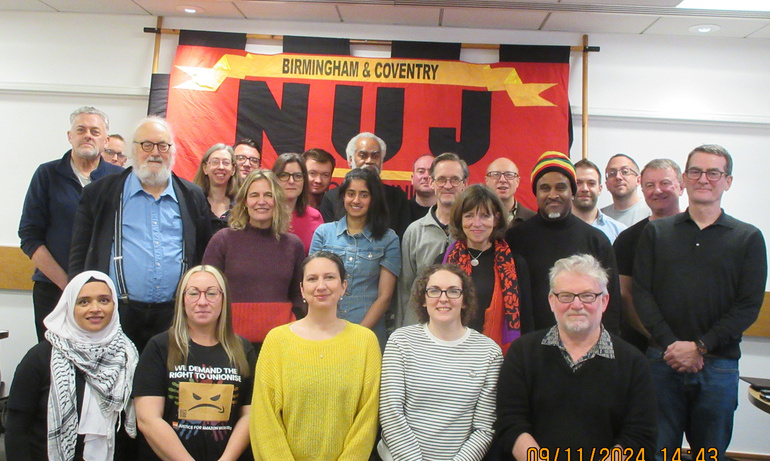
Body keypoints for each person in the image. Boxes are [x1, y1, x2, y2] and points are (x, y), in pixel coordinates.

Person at [634, 144, 767, 460]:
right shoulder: (656, 233)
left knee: (710, 454)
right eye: (695, 171)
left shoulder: (748, 238)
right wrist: (672, 345)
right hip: (662, 360)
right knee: (658, 453)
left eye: (713, 172)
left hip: (718, 364)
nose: (703, 179)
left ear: (727, 181)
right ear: (684, 178)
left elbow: (748, 305)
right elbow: (642, 293)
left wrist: (701, 346)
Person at [69, 116, 213, 352]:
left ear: (172, 151)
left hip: (175, 316)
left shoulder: (192, 195)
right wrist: (78, 302)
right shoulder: (100, 192)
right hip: (116, 314)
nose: (155, 152)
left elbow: (204, 254)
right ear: (133, 150)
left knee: (166, 385)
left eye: (162, 146)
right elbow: (78, 254)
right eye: (147, 145)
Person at [496, 254, 656, 459]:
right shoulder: (522, 352)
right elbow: (510, 423)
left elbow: (639, 437)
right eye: (566, 296)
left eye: (587, 295)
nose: (577, 305)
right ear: (551, 301)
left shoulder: (634, 362)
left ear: (605, 301)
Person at [250, 251, 381, 460]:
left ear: (344, 286)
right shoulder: (277, 341)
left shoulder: (365, 342)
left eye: (329, 277)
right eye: (312, 279)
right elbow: (263, 419)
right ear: (302, 289)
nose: (321, 286)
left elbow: (367, 419)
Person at [5, 271, 139, 461]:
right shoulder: (40, 358)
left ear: (114, 305)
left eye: (104, 300)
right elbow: (17, 427)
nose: (95, 309)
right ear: (69, 307)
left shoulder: (128, 356)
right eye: (84, 302)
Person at [19, 106, 123, 341]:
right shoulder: (47, 174)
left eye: (95, 131)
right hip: (54, 290)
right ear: (70, 136)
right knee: (53, 364)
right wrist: (69, 286)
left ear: (105, 140)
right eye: (81, 130)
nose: (88, 135)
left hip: (106, 296)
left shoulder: (119, 178)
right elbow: (29, 236)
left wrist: (94, 292)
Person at [379, 264, 502, 461]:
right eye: (434, 291)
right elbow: (390, 413)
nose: (443, 298)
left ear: (464, 301)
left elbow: (484, 428)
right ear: (424, 300)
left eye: (453, 291)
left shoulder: (489, 352)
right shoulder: (400, 341)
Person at [134, 265, 256, 461]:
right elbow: (147, 419)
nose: (202, 302)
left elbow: (251, 416)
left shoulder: (243, 349)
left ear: (224, 299)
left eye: (211, 293)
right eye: (193, 293)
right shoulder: (159, 347)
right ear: (182, 300)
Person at [506, 151, 621, 334]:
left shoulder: (595, 240)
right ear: (535, 192)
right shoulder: (514, 239)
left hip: (584, 343)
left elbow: (612, 304)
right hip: (529, 345)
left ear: (572, 192)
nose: (553, 195)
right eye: (545, 188)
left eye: (561, 187)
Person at [202, 170, 304, 355]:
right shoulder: (222, 240)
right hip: (229, 345)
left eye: (268, 195)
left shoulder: (293, 245)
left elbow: (299, 295)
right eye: (254, 195)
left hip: (280, 346)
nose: (261, 201)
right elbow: (207, 291)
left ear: (278, 201)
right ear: (244, 202)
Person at [310, 168, 401, 348]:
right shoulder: (323, 233)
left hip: (368, 332)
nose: (356, 200)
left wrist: (358, 335)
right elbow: (311, 283)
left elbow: (385, 296)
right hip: (325, 327)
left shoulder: (388, 238)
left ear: (373, 199)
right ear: (343, 197)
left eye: (364, 195)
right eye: (351, 194)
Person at [444, 184, 533, 353]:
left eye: (485, 216)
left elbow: (526, 319)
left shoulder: (515, 264)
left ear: (496, 218)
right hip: (451, 356)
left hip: (500, 359)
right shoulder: (444, 262)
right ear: (459, 219)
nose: (476, 224)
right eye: (469, 216)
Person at [614, 158, 683, 351]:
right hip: (645, 346)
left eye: (665, 183)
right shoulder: (627, 239)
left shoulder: (700, 234)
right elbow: (624, 294)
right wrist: (656, 337)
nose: (657, 190)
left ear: (681, 186)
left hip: (696, 350)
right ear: (642, 190)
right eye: (650, 185)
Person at [396, 153, 466, 328]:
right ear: (433, 183)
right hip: (419, 330)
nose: (448, 186)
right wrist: (402, 332)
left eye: (455, 180)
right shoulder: (414, 232)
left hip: (461, 329)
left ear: (465, 184)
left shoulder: (472, 232)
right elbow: (405, 290)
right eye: (441, 179)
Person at [319, 132, 411, 238]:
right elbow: (328, 239)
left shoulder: (397, 198)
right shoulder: (331, 198)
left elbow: (402, 241)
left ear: (381, 160)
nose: (369, 161)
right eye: (363, 155)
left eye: (375, 156)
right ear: (350, 160)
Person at [272, 152, 324, 253]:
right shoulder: (264, 214)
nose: (291, 181)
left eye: (297, 176)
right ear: (274, 179)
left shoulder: (315, 216)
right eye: (284, 175)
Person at [572, 159, 626, 242]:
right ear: (570, 188)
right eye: (578, 183)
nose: (585, 189)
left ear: (600, 189)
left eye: (591, 183)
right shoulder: (556, 229)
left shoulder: (618, 231)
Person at [193, 143, 237, 232]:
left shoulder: (241, 204)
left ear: (233, 170)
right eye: (215, 162)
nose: (221, 167)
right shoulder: (193, 203)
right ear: (205, 168)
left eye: (226, 163)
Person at [601, 153, 651, 226]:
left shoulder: (651, 212)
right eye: (612, 173)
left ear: (638, 180)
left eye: (625, 172)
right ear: (607, 185)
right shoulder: (600, 216)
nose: (618, 177)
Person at [484, 157, 535, 227]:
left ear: (517, 181)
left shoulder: (532, 220)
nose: (502, 180)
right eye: (496, 175)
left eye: (509, 175)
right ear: (486, 181)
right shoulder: (475, 219)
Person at [408, 154, 436, 223]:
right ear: (412, 178)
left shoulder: (449, 212)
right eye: (421, 171)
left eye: (431, 172)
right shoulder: (401, 211)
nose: (426, 176)